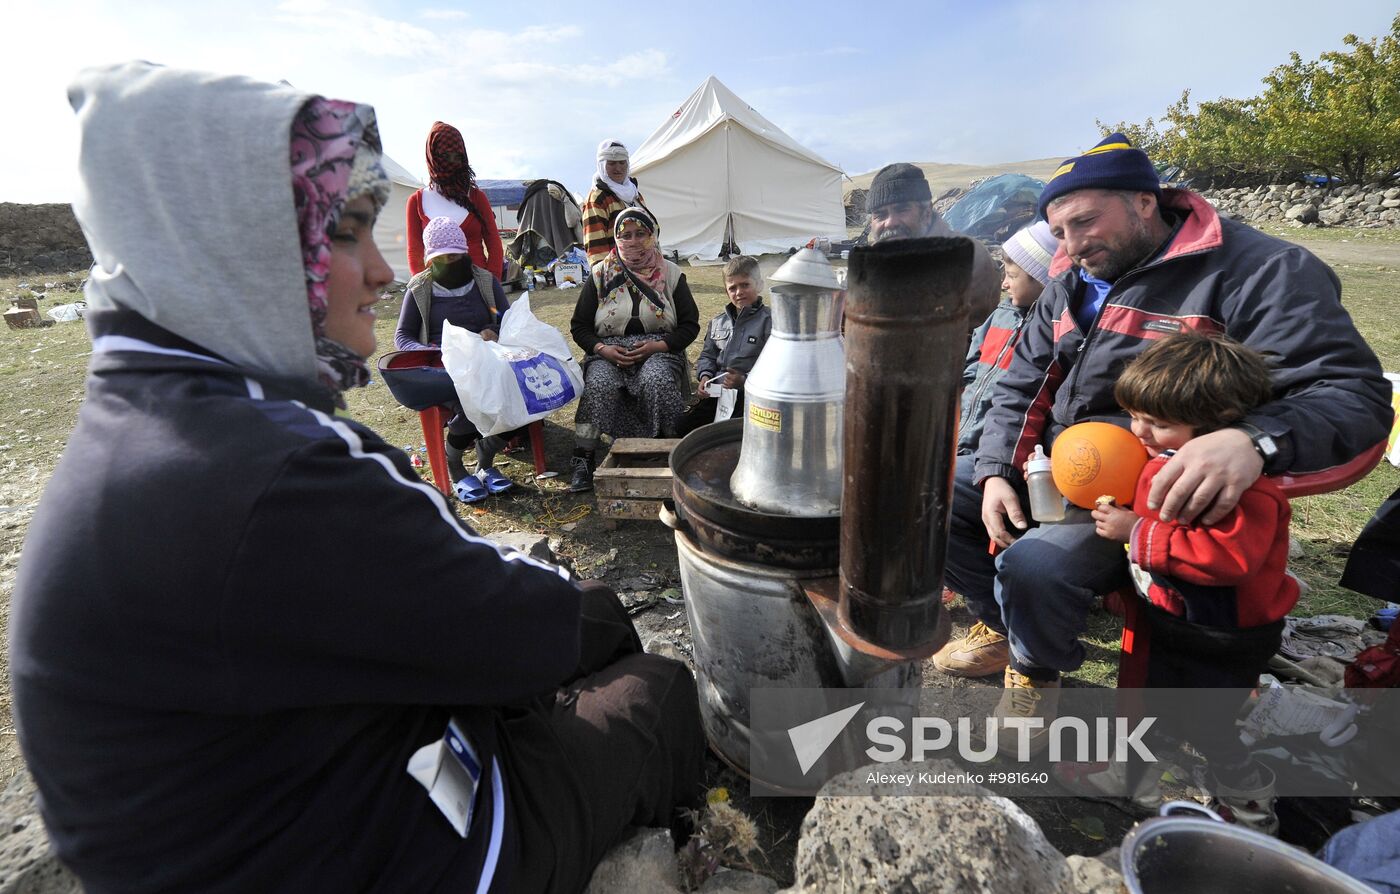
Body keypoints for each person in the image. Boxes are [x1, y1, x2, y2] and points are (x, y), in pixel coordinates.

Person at [12, 62, 702, 894]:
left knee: (577, 620)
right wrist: (562, 607)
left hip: (294, 800)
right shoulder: (270, 469)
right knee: (652, 687)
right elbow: (519, 636)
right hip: (410, 853)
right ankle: (693, 841)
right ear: (248, 246)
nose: (380, 273)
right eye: (345, 234)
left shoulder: (151, 428)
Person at [933, 133, 1390, 732]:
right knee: (932, 501)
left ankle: (1036, 669)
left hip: (1160, 492)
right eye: (1059, 233)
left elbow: (1350, 394)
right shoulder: (1071, 280)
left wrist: (1252, 441)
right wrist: (995, 469)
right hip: (1058, 466)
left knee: (1036, 567)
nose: (1070, 247)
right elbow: (1024, 381)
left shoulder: (1264, 271)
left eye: (1085, 222)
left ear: (1146, 201)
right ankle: (1002, 624)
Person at [1063, 332, 1292, 830]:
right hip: (1173, 618)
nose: (1139, 431)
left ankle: (1251, 806)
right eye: (1135, 415)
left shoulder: (1244, 488)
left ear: (1217, 423)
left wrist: (1137, 531)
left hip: (1223, 636)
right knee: (1156, 706)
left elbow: (1228, 560)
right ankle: (1134, 780)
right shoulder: (1165, 457)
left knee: (1209, 727)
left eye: (1158, 423)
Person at [569, 207, 699, 492]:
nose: (633, 240)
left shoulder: (672, 274)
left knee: (657, 380)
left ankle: (666, 449)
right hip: (609, 351)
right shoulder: (601, 274)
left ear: (652, 235)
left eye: (641, 233)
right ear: (615, 238)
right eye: (625, 235)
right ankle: (584, 456)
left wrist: (659, 346)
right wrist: (602, 349)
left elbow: (690, 326)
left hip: (660, 348)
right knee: (600, 383)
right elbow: (580, 327)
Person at [396, 216, 515, 502]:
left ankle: (485, 463)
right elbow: (403, 337)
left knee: (520, 394)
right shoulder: (419, 289)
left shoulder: (485, 282)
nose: (449, 261)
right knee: (469, 399)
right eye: (442, 257)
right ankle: (456, 466)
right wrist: (438, 351)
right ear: (430, 260)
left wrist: (493, 330)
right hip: (444, 368)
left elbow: (506, 318)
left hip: (488, 360)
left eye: (455, 255)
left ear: (465, 253)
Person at [957, 220, 1058, 455]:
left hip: (995, 443)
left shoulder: (1047, 331)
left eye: (1012, 276)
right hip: (963, 429)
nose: (1004, 283)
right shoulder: (1000, 316)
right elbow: (974, 363)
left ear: (1041, 279)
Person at [865, 162, 1003, 329]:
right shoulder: (873, 261)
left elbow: (968, 338)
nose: (890, 223)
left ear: (926, 212)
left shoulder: (968, 257)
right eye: (880, 215)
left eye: (902, 210)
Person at [677, 255, 772, 436]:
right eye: (733, 288)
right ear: (726, 291)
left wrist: (744, 381)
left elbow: (774, 367)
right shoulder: (717, 322)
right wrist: (704, 376)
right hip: (718, 395)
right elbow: (707, 356)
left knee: (733, 433)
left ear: (759, 285)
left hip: (752, 399)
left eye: (745, 285)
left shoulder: (770, 322)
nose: (739, 292)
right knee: (682, 427)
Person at [406, 121, 504, 279]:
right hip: (438, 293)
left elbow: (494, 244)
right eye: (445, 156)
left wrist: (493, 281)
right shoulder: (417, 202)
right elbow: (414, 251)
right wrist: (422, 288)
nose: (452, 163)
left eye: (456, 156)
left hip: (478, 287)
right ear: (433, 157)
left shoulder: (476, 197)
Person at [581, 140, 649, 268]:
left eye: (622, 163)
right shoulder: (597, 198)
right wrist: (607, 276)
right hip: (617, 270)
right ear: (602, 165)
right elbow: (596, 248)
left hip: (643, 266)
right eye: (611, 163)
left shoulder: (635, 194)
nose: (618, 168)